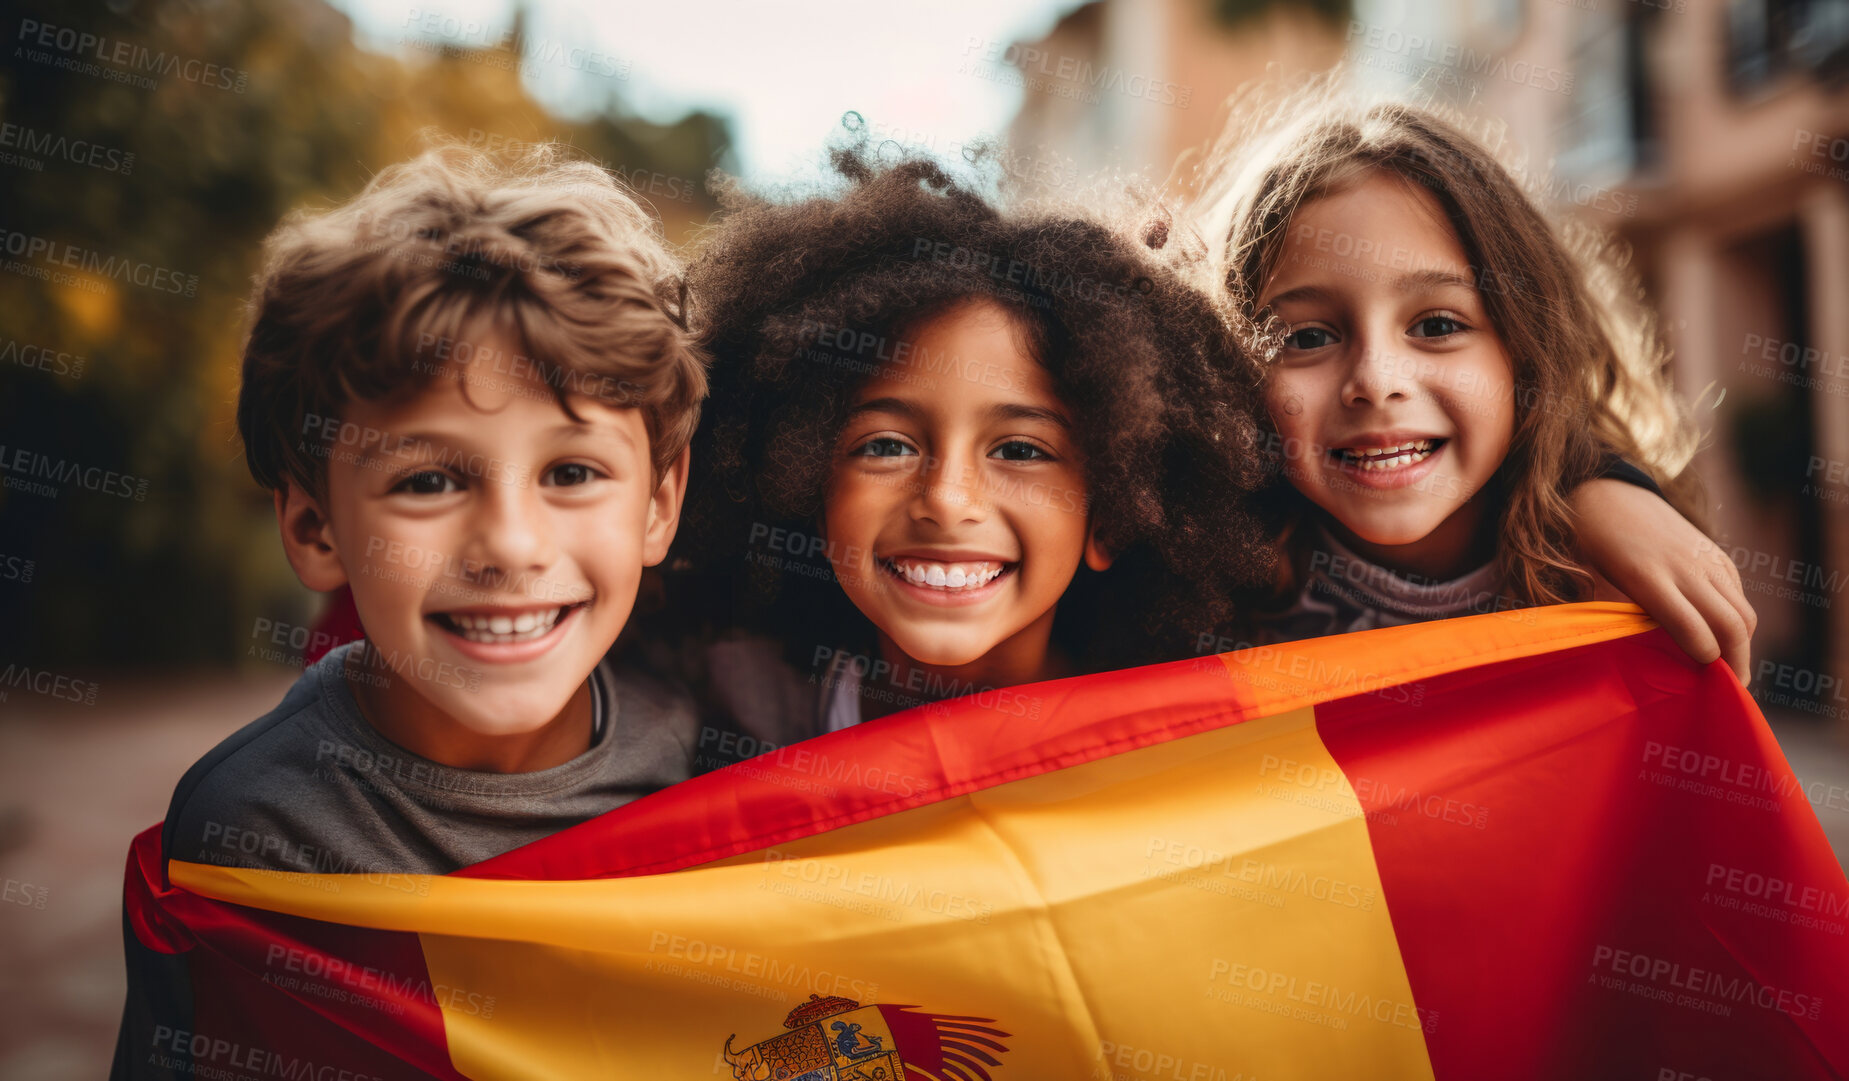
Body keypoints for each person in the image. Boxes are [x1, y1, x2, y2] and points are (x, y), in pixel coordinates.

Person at [112, 143, 707, 1077]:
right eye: (428, 480)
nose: (512, 543)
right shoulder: (255, 832)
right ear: (316, 529)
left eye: (572, 472)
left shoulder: (713, 765)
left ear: (659, 505)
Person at [671, 142, 1278, 761]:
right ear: (803, 484)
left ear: (1112, 516)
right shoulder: (728, 718)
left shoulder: (1180, 756)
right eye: (885, 446)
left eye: (1019, 450)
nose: (947, 500)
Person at [1189, 93, 1756, 672]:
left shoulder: (1609, 590)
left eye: (1437, 325)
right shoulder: (1192, 589)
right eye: (1308, 338)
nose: (1376, 381)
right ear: (1228, 373)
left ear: (1527, 351)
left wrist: (1600, 492)